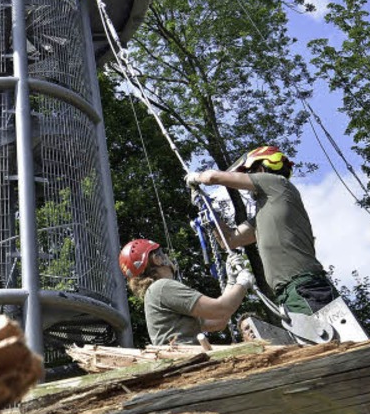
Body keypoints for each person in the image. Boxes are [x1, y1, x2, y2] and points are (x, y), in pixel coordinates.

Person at [185, 144, 339, 315]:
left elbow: (212, 177)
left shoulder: (278, 183)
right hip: (290, 292)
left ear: (261, 169)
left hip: (305, 287)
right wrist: (210, 214)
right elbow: (229, 240)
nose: (248, 178)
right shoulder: (265, 213)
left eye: (250, 173)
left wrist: (196, 177)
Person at [118, 238, 253, 346]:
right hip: (189, 364)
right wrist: (243, 282)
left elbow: (219, 320)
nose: (166, 256)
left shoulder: (156, 292)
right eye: (162, 253)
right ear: (157, 259)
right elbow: (220, 309)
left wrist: (232, 281)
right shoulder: (162, 287)